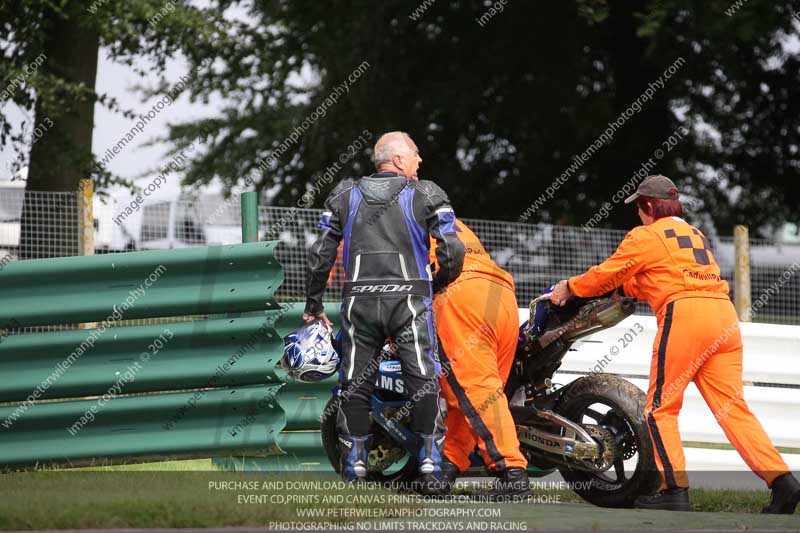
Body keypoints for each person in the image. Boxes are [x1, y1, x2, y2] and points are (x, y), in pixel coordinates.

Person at [549, 174, 800, 513]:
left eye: (639, 208)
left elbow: (607, 274)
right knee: (733, 410)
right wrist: (626, 290)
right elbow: (656, 276)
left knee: (659, 409)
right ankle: (783, 483)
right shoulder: (693, 234)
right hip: (723, 318)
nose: (638, 214)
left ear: (650, 206)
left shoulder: (646, 235)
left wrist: (571, 287)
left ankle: (674, 490)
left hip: (686, 316)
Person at [303, 131, 465, 491]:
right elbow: (453, 251)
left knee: (354, 385)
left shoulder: (344, 195)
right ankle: (430, 470)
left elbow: (319, 256)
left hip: (358, 303)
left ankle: (355, 469)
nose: (420, 161)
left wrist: (313, 304)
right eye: (416, 155)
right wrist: (437, 283)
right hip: (410, 302)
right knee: (423, 380)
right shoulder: (426, 194)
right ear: (397, 160)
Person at [429, 218, 532, 501]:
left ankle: (511, 473)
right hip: (500, 294)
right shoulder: (445, 215)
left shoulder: (393, 218)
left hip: (461, 295)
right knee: (467, 395)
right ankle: (447, 468)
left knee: (476, 391)